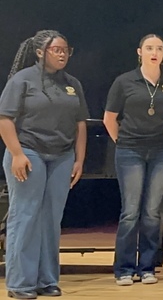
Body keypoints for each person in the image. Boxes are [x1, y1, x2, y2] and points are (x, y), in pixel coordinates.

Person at [0, 30, 87, 299]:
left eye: (66, 50)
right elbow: (5, 120)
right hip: (28, 153)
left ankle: (47, 279)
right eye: (56, 50)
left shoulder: (72, 84)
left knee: (51, 220)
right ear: (40, 52)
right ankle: (21, 283)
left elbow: (80, 124)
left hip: (61, 157)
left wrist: (79, 159)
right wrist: (16, 154)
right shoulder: (22, 80)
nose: (62, 54)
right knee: (25, 217)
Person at [104, 33, 163, 286]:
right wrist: (125, 142)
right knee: (130, 211)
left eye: (159, 48)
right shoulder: (124, 81)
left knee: (152, 212)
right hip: (130, 151)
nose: (154, 52)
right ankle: (124, 268)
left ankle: (147, 267)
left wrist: (156, 138)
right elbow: (109, 118)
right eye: (149, 47)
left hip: (161, 151)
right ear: (139, 52)